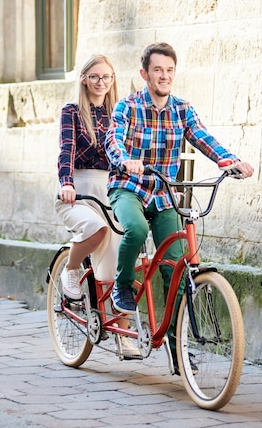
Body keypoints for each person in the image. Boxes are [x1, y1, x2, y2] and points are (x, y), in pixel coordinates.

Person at [104, 42, 254, 370]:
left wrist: (229, 161)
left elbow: (203, 138)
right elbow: (113, 138)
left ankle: (176, 348)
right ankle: (122, 285)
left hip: (164, 195)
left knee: (175, 268)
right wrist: (125, 160)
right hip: (128, 188)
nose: (164, 76)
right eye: (158, 70)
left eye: (170, 70)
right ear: (145, 74)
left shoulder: (182, 109)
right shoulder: (128, 107)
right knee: (136, 228)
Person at [54, 53, 139, 358]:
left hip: (112, 189)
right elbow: (67, 150)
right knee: (95, 227)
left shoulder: (120, 113)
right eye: (95, 77)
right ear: (84, 79)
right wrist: (66, 182)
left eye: (107, 77)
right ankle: (72, 269)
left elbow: (130, 154)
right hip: (77, 189)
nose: (101, 82)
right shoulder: (73, 112)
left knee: (122, 262)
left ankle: (125, 334)